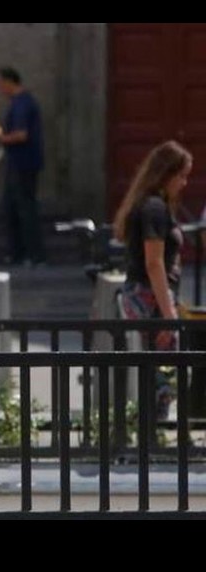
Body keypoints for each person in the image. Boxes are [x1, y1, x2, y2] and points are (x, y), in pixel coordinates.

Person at [113, 140, 193, 419]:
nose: (184, 183)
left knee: (160, 372)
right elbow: (154, 262)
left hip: (149, 295)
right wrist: (168, 315)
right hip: (150, 298)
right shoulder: (154, 208)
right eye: (181, 176)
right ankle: (152, 431)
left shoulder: (150, 205)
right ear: (165, 174)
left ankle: (151, 429)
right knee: (167, 374)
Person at [0, 66, 47, 267]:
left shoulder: (22, 104)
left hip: (23, 163)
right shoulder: (20, 103)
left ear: (9, 82)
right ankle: (16, 253)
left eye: (0, 84)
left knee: (25, 209)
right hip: (18, 163)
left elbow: (21, 134)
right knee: (12, 207)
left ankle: (35, 254)